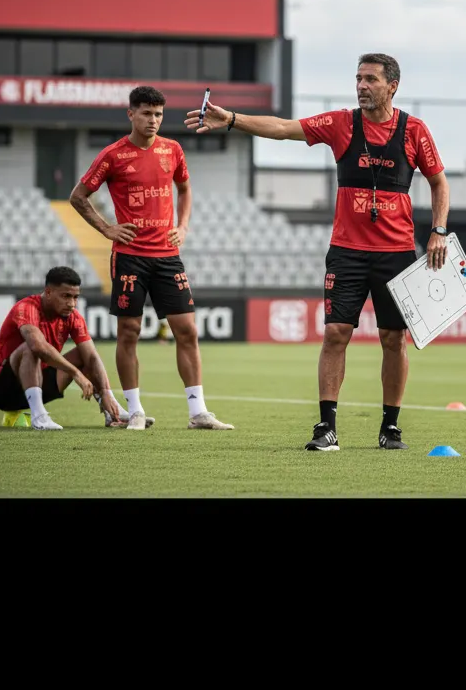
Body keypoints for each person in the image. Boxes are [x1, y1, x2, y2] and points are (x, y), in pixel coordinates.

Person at [185, 53, 449, 452]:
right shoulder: (342, 123)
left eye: (371, 80)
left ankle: (390, 428)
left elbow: (439, 183)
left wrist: (438, 231)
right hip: (346, 251)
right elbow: (282, 128)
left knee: (394, 339)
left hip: (396, 253)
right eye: (358, 78)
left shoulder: (414, 130)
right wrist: (234, 119)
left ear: (392, 86)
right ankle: (326, 427)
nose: (361, 86)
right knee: (335, 334)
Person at [69, 85, 233, 432]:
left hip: (168, 255)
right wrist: (107, 229)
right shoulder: (113, 155)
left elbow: (185, 188)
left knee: (187, 330)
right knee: (129, 331)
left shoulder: (172, 150)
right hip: (130, 257)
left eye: (158, 114)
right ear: (131, 114)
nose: (153, 120)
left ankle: (198, 411)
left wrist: (183, 227)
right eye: (146, 113)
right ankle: (135, 410)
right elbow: (78, 196)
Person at [0, 266, 130, 431]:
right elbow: (38, 346)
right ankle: (39, 417)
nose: (72, 304)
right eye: (66, 296)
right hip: (1, 389)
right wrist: (76, 373)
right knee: (30, 347)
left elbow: (91, 357)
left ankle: (113, 413)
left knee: (84, 355)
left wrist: (105, 392)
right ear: (48, 292)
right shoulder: (27, 308)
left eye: (75, 297)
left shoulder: (73, 317)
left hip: (39, 382)